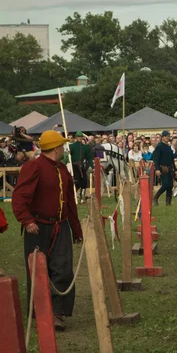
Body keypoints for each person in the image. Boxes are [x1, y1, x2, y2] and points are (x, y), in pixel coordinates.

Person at [12, 130, 83, 331]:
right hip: (38, 228)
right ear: (56, 148)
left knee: (63, 269)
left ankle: (58, 313)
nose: (63, 148)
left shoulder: (62, 169)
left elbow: (70, 203)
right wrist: (27, 221)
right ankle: (40, 311)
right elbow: (19, 198)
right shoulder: (33, 167)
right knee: (38, 271)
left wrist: (76, 230)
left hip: (60, 226)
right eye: (61, 145)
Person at [152, 130, 176, 206]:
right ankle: (155, 197)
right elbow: (156, 159)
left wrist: (175, 170)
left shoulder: (169, 147)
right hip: (163, 168)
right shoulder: (159, 146)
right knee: (165, 184)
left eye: (168, 136)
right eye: (166, 136)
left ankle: (168, 203)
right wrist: (157, 169)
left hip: (170, 168)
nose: (167, 138)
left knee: (170, 186)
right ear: (162, 137)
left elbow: (172, 160)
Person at [69, 131, 94, 200]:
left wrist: (93, 167)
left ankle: (82, 196)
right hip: (74, 166)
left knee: (84, 181)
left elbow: (89, 158)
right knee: (76, 181)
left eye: (81, 137)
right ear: (76, 137)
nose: (80, 138)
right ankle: (73, 195)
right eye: (78, 137)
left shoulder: (86, 147)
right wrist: (68, 152)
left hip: (82, 166)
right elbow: (67, 157)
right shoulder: (71, 146)